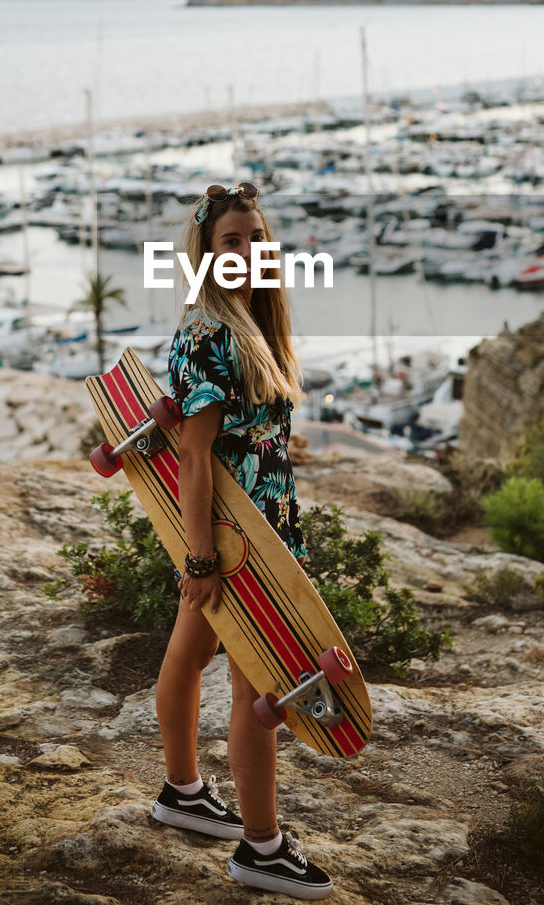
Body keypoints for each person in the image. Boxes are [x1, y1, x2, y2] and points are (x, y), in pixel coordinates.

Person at [151, 182, 333, 900]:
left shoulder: (251, 327)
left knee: (191, 653)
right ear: (207, 255)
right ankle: (261, 847)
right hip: (235, 542)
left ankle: (183, 792)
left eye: (258, 238)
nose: (251, 252)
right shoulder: (206, 336)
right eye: (234, 241)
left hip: (259, 533)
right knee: (262, 684)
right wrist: (200, 559)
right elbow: (194, 456)